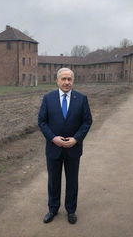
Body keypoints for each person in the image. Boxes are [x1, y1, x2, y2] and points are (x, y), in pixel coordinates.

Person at [38, 67, 92, 224]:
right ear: (57, 80)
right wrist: (53, 138)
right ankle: (53, 209)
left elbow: (87, 121)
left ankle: (71, 210)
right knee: (53, 180)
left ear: (73, 81)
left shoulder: (81, 99)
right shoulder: (48, 98)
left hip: (73, 149)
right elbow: (42, 121)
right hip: (53, 148)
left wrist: (76, 139)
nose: (67, 82)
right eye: (64, 79)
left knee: (72, 181)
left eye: (69, 79)